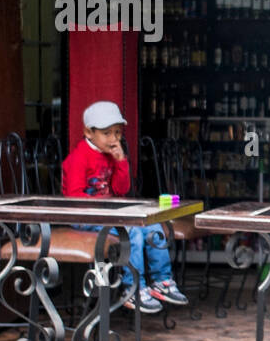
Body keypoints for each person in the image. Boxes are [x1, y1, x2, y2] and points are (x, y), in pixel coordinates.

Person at [62, 100, 189, 313]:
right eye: (107, 133)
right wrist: (107, 210)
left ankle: (162, 281)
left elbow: (121, 189)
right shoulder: (78, 158)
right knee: (132, 233)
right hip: (84, 216)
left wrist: (121, 161)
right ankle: (132, 288)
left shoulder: (111, 154)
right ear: (88, 132)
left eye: (118, 133)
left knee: (152, 227)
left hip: (109, 214)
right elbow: (75, 198)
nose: (114, 139)